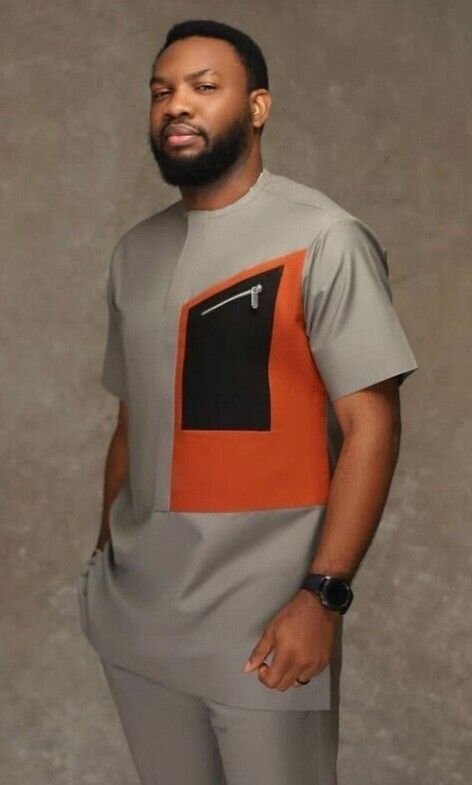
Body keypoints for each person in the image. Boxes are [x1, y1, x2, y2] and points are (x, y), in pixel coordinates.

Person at [76, 18, 419, 785]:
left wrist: (322, 597)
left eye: (204, 86)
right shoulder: (134, 253)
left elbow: (372, 424)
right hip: (138, 626)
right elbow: (133, 423)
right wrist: (102, 568)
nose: (176, 104)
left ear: (258, 107)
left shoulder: (325, 239)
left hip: (265, 626)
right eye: (162, 90)